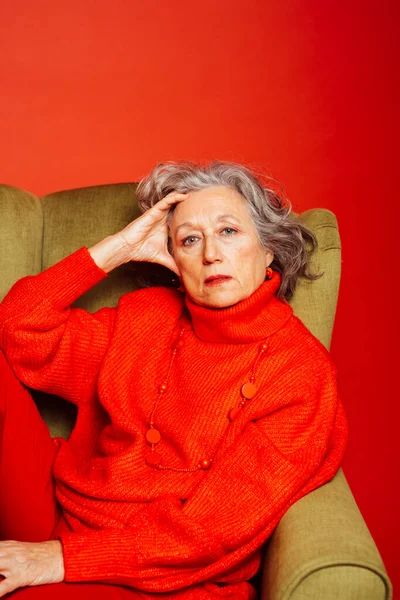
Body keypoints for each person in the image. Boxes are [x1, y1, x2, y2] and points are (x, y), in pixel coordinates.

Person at [0, 161, 348, 599]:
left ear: (269, 250)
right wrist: (117, 249)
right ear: (173, 259)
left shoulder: (300, 372)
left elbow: (209, 531)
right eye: (189, 240)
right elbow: (19, 328)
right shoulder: (146, 316)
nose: (210, 255)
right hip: (61, 508)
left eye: (228, 231)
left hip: (157, 572)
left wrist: (61, 559)